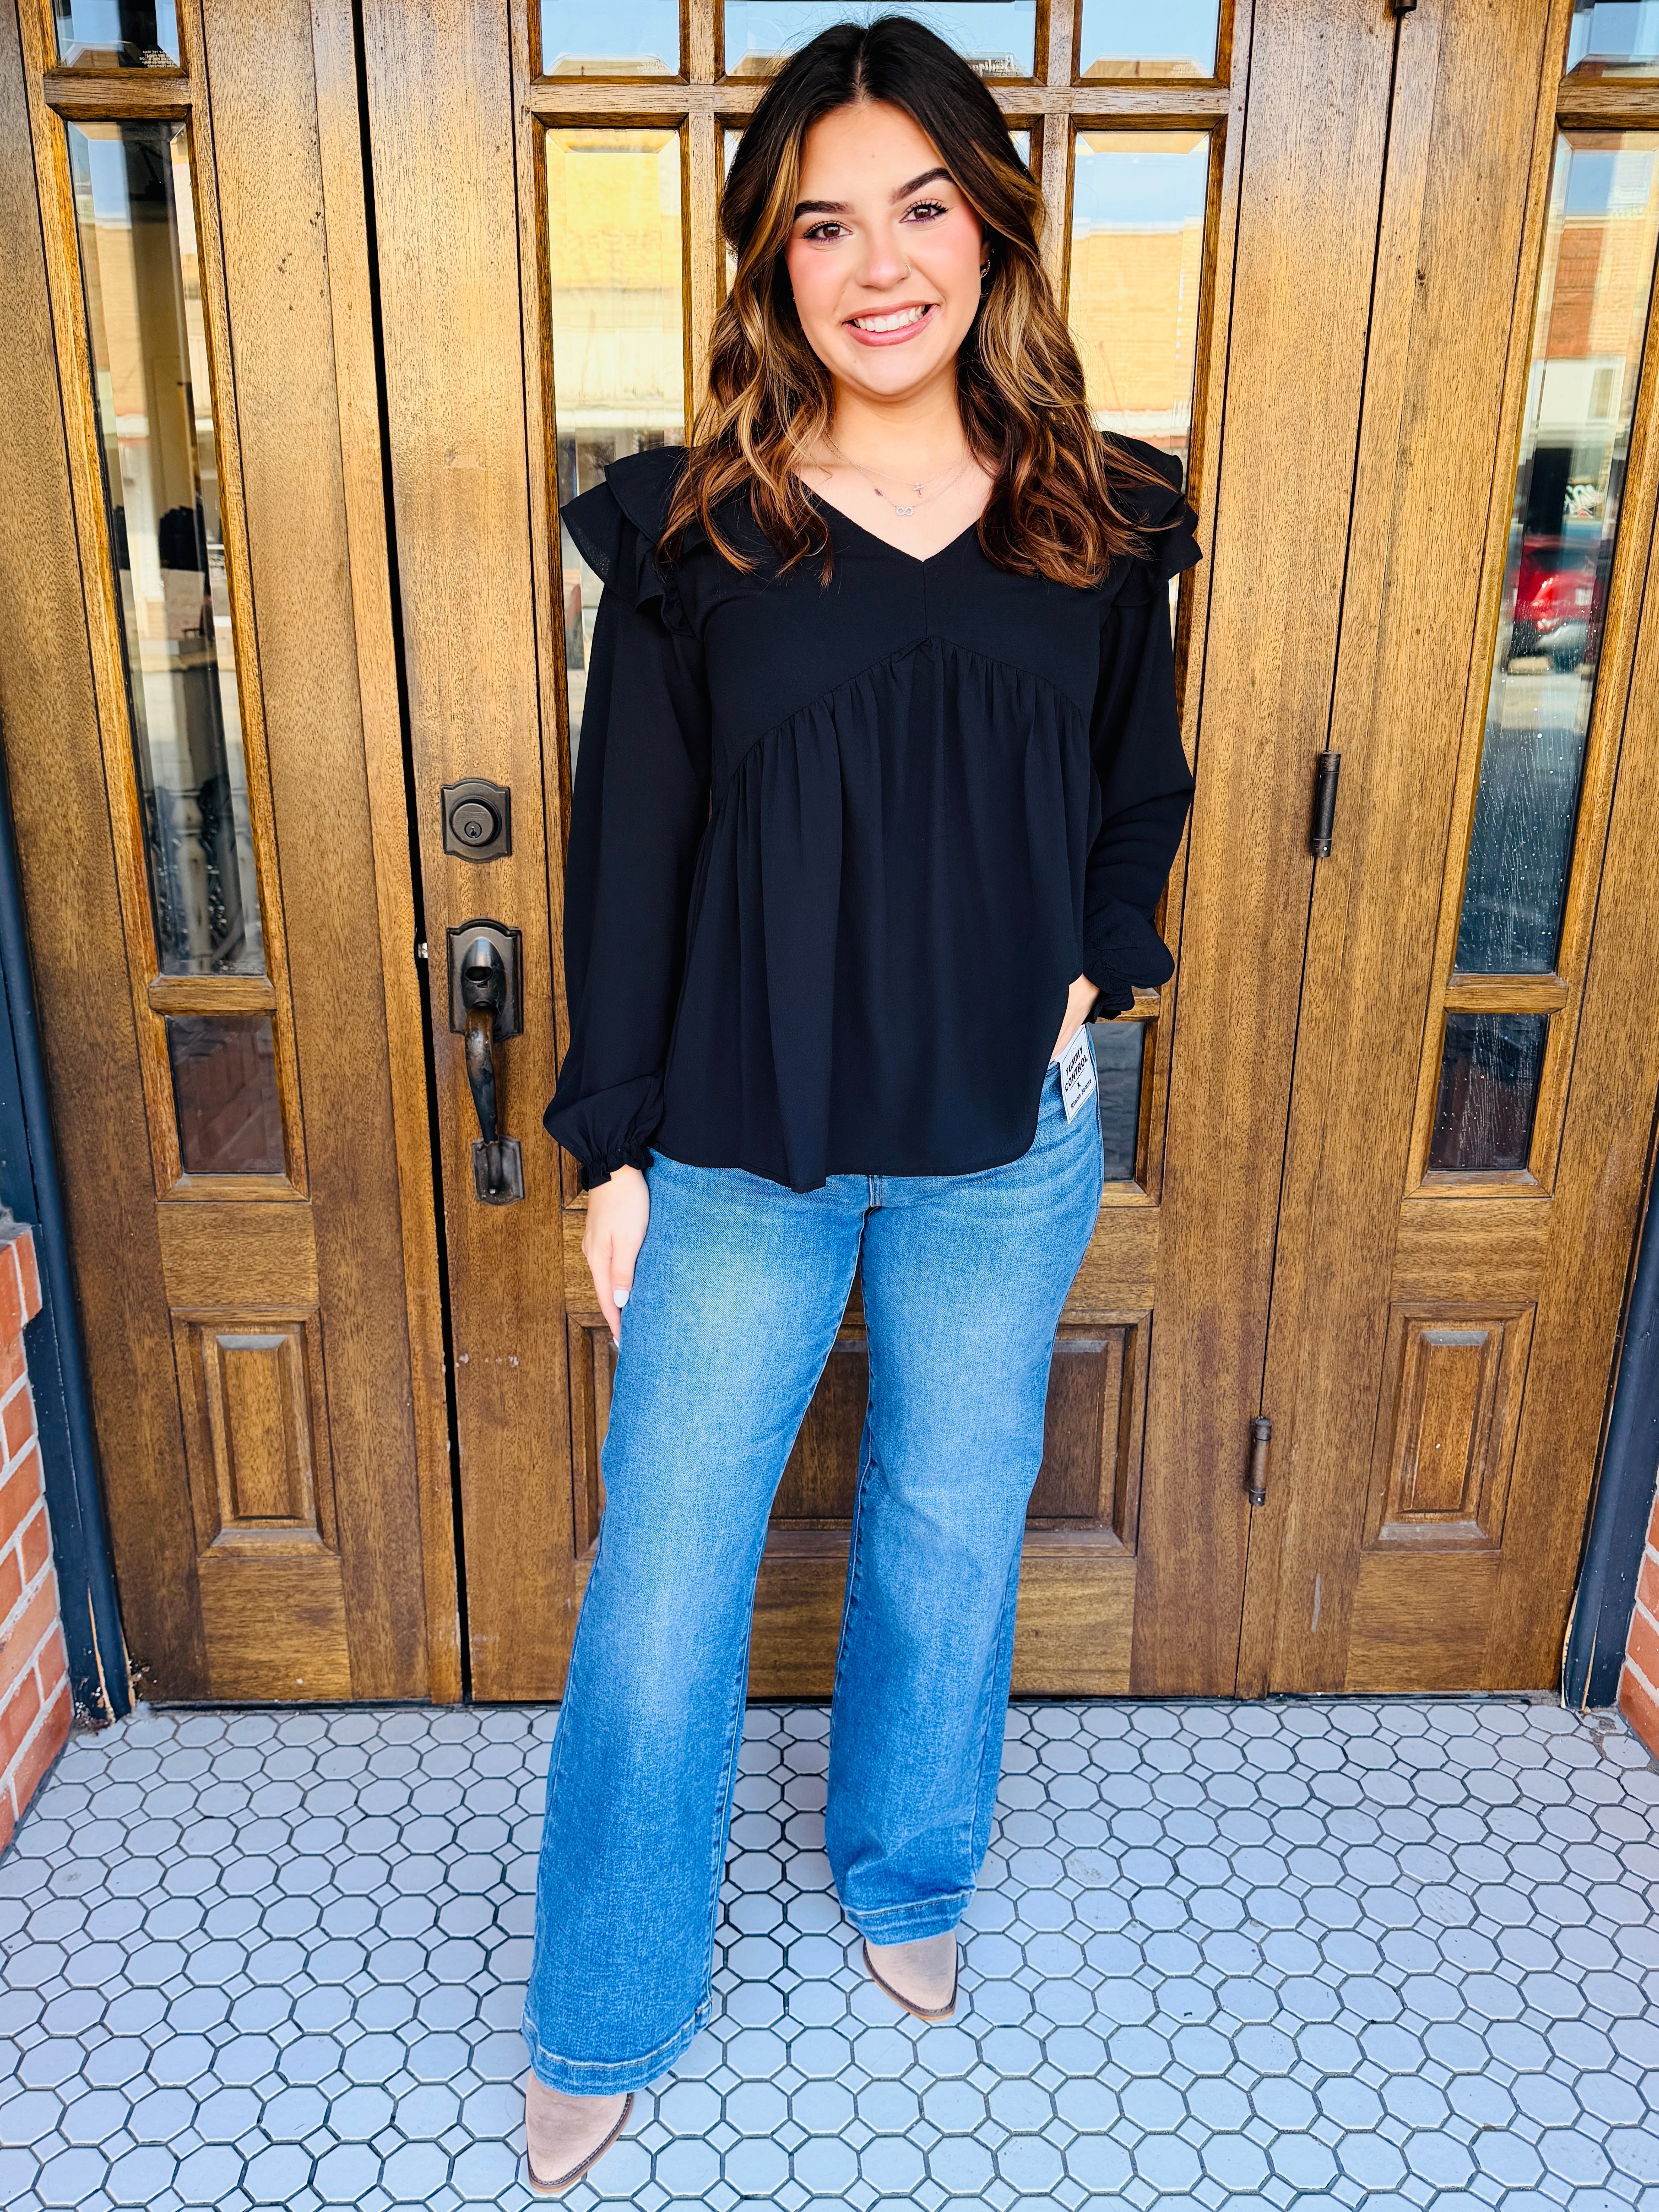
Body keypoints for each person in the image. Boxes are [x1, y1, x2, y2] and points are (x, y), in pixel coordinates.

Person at [521, 15, 1199, 2195]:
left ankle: (906, 1872)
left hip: (1005, 1153)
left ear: (990, 228)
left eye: (919, 209)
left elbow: (1138, 792)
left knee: (943, 1527)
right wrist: (613, 1150)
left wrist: (1088, 966)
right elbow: (630, 854)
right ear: (771, 261)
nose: (875, 265)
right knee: (664, 1581)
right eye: (821, 225)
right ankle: (604, 1997)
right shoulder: (693, 533)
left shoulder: (1097, 518)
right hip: (741, 1155)